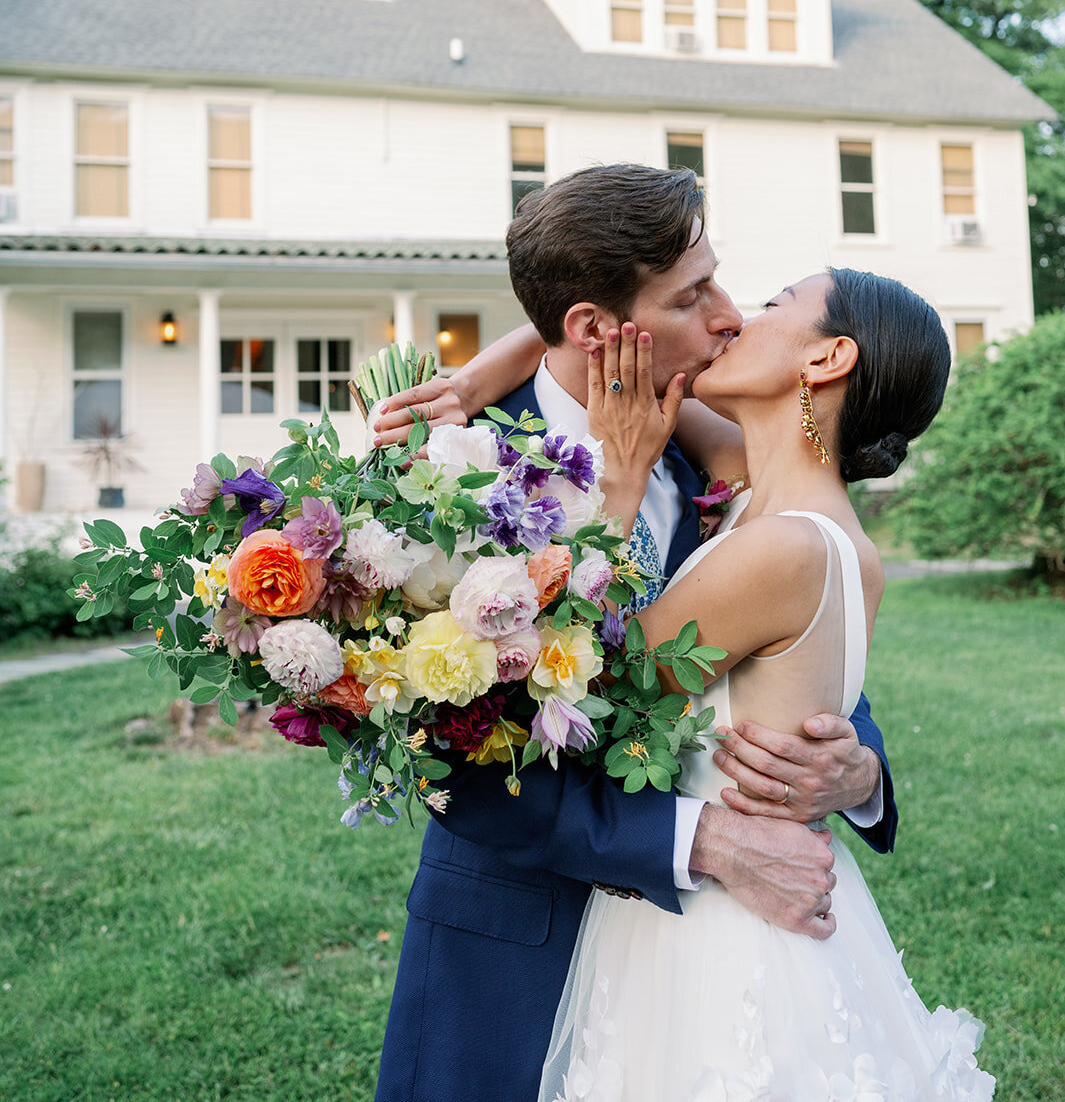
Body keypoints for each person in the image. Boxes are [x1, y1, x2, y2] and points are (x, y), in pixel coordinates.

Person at [372, 165, 896, 1102]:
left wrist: (857, 766)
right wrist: (703, 839)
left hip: (705, 980)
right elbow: (454, 757)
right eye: (694, 295)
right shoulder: (443, 475)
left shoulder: (723, 446)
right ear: (592, 329)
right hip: (513, 953)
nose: (730, 316)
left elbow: (791, 633)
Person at [536, 271, 994, 1099]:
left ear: (826, 356)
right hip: (766, 897)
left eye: (778, 302)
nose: (741, 316)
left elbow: (593, 702)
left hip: (723, 928)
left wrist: (620, 490)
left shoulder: (779, 549)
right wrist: (475, 373)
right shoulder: (785, 509)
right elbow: (608, 358)